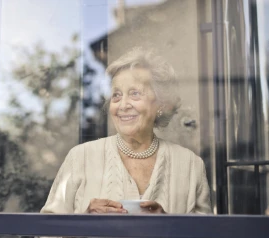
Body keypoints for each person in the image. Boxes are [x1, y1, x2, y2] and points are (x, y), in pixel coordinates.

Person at [40, 48, 212, 214]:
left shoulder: (190, 166)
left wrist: (166, 225)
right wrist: (85, 221)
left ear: (161, 103)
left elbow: (206, 235)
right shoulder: (80, 158)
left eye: (135, 93)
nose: (123, 105)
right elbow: (47, 233)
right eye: (116, 95)